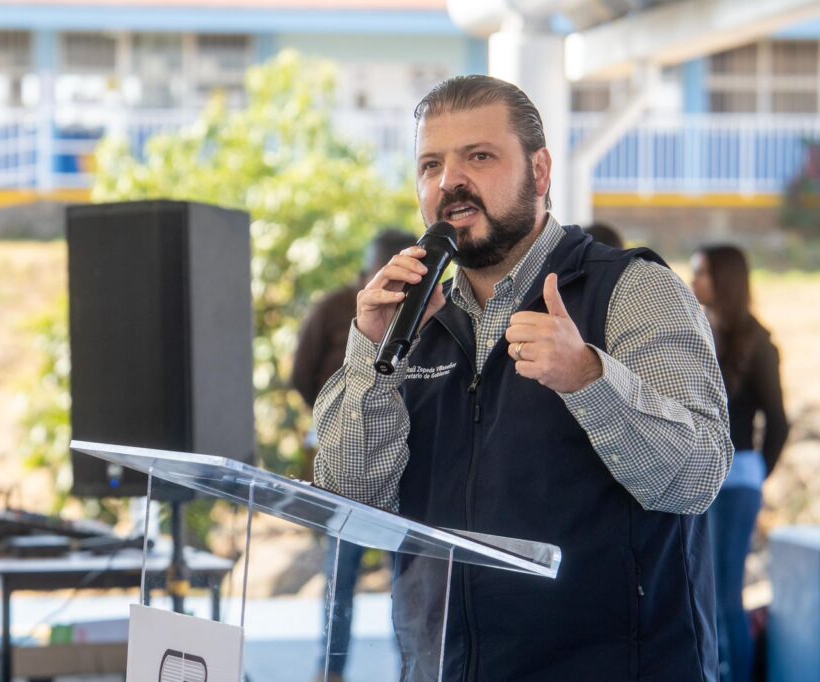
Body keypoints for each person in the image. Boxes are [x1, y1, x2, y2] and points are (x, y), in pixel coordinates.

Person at [313, 74, 733, 681]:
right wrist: (372, 354)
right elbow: (352, 498)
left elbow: (695, 478)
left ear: (540, 172)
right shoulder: (411, 321)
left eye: (479, 157)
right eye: (431, 165)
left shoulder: (633, 291)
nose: (450, 181)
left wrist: (589, 379)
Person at [292, 228, 418, 682]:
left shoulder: (423, 311)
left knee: (404, 576)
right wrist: (340, 420)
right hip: (345, 460)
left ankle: (409, 667)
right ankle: (331, 669)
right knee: (341, 573)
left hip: (404, 461)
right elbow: (301, 374)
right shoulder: (333, 308)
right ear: (368, 272)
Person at [691, 245, 789, 682]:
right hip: (699, 479)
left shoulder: (758, 341)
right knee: (703, 592)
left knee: (725, 595)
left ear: (725, 279)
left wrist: (754, 476)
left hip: (737, 482)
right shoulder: (696, 328)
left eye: (703, 272)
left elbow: (778, 421)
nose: (694, 280)